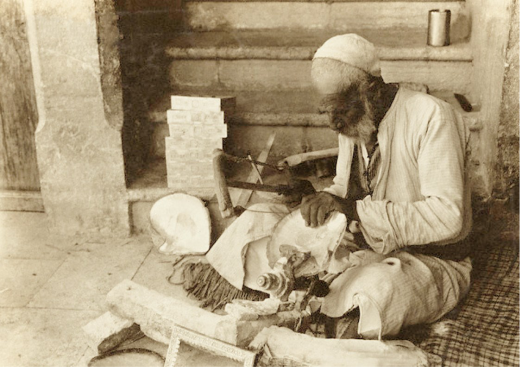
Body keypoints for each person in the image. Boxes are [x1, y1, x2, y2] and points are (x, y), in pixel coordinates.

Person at [205, 33, 472, 339]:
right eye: (326, 111)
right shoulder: (355, 121)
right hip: (359, 243)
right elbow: (345, 190)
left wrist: (352, 210)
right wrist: (316, 199)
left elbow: (448, 217)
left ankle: (311, 308)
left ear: (370, 91)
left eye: (339, 110)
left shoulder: (431, 116)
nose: (333, 123)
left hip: (427, 260)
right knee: (253, 221)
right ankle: (311, 299)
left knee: (374, 290)